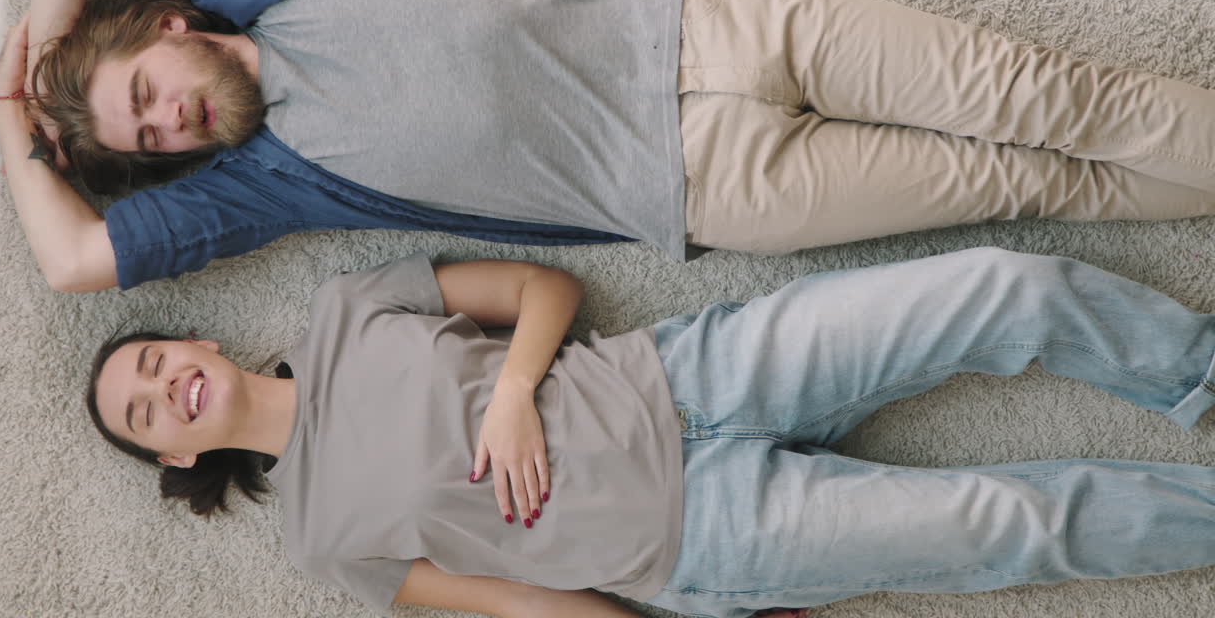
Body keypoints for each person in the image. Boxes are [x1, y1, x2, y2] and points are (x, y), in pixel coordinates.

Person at [0, 0, 1215, 293]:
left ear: (169, 24)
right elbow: (72, 261)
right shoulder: (263, 181)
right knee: (1034, 182)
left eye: (145, 94)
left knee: (1056, 94)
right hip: (713, 183)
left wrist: (48, 58)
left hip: (715, 25)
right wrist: (23, 130)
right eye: (147, 138)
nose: (166, 125)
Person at [90, 248, 1215, 618]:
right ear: (178, 458)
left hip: (683, 374)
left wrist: (514, 391)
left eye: (152, 363)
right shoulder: (320, 543)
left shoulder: (344, 308)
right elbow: (517, 604)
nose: (163, 390)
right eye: (143, 419)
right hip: (704, 540)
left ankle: (1194, 370)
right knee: (1012, 522)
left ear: (195, 344)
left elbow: (542, 287)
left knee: (999, 287)